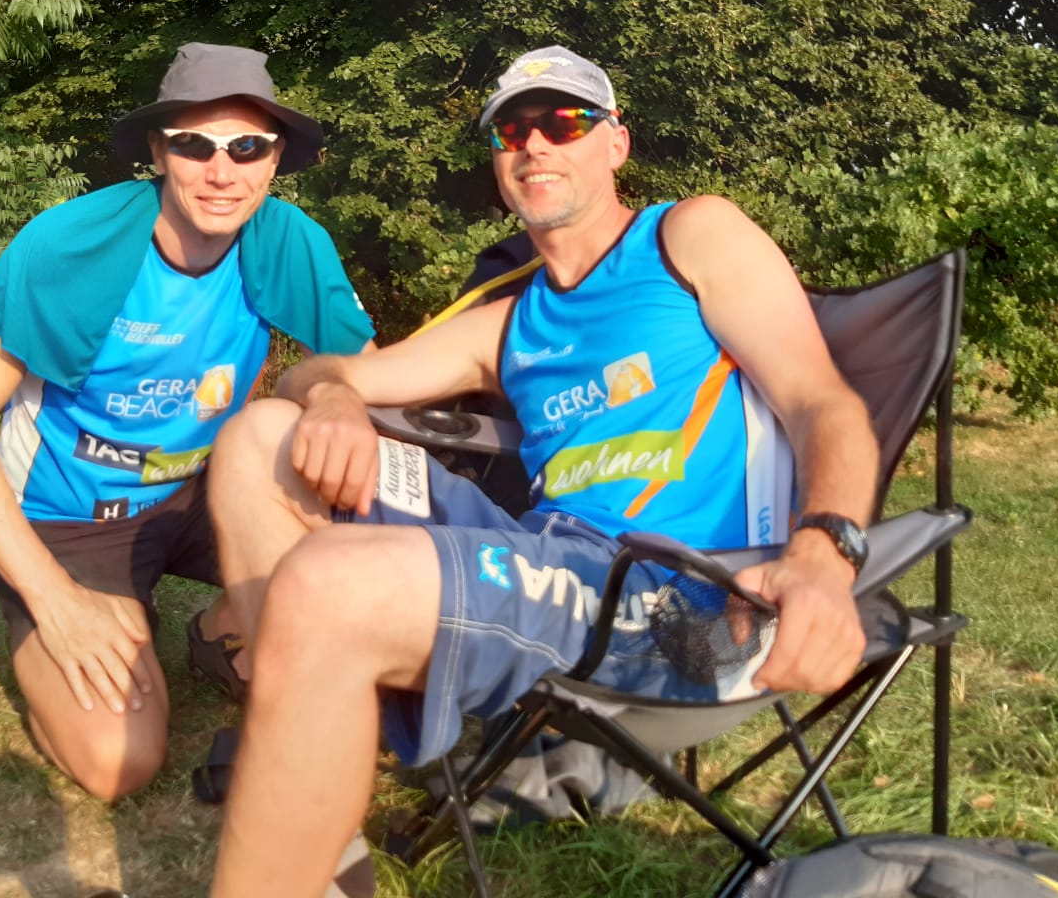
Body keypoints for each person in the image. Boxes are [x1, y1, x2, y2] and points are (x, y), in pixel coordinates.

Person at [204, 46, 880, 897]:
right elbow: (320, 372)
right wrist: (335, 398)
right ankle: (319, 828)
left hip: (671, 599)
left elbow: (822, 403)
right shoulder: (511, 321)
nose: (534, 144)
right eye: (512, 130)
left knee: (325, 580)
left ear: (615, 143)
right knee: (258, 436)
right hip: (544, 556)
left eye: (564, 122)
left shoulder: (687, 237)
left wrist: (824, 553)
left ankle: (297, 791)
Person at [0, 43, 375, 802]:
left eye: (247, 147)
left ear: (274, 160)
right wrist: (56, 603)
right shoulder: (71, 244)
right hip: (69, 520)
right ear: (159, 153)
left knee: (369, 537)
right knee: (116, 763)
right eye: (195, 145)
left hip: (204, 492)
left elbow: (363, 372)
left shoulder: (288, 238)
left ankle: (219, 630)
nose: (222, 172)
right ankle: (77, 627)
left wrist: (336, 396)